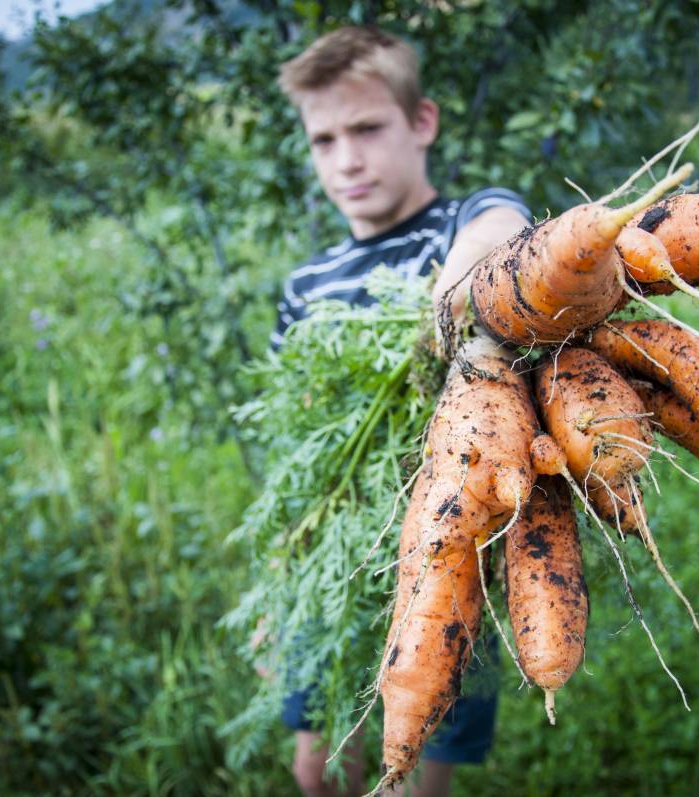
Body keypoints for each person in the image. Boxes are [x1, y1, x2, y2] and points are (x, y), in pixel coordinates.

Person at [270, 25, 531, 797]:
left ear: (422, 123)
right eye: (324, 139)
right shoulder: (305, 284)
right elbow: (300, 449)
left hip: (454, 555)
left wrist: (452, 291)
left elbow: (502, 229)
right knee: (318, 770)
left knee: (416, 774)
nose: (346, 159)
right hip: (336, 560)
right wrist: (279, 589)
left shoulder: (459, 227)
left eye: (367, 128)